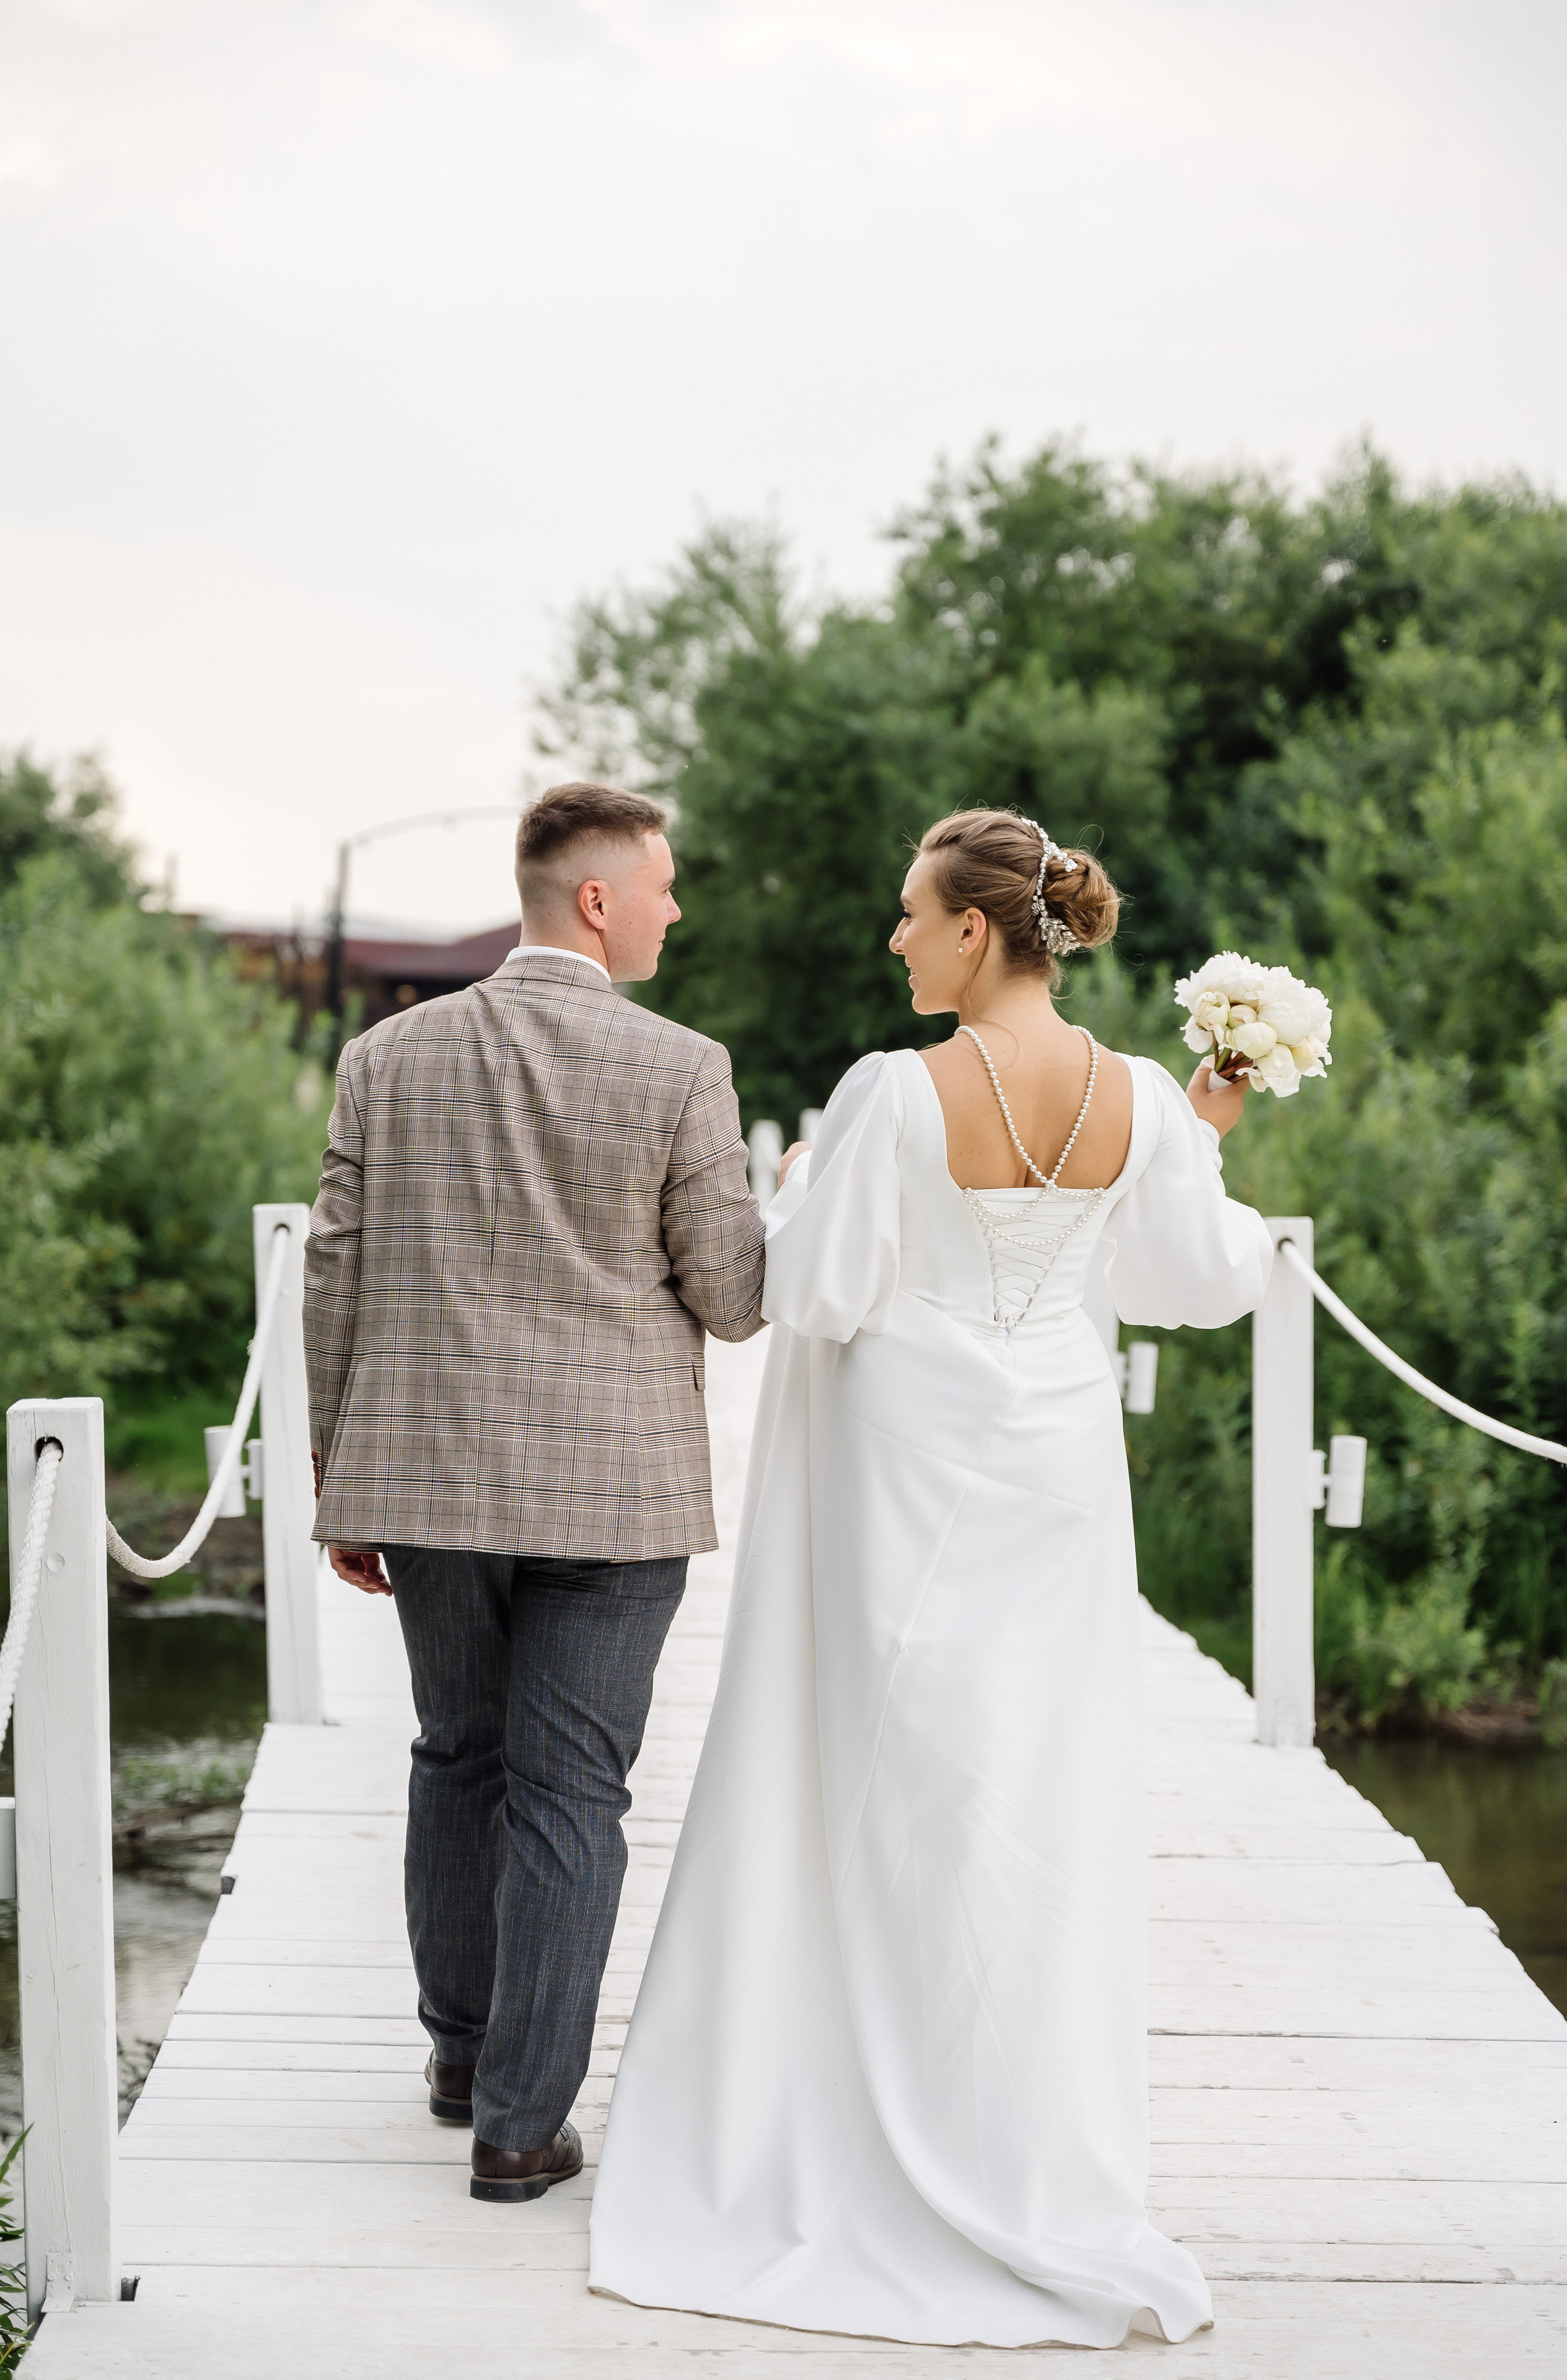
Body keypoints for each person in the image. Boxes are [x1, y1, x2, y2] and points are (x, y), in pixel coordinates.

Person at [589, 808, 1273, 2347]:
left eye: (909, 914)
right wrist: (1197, 1138)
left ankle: (861, 2117)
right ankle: (1011, 2135)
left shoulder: (893, 1095)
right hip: (1052, 1475)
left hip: (903, 1467)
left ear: (975, 930)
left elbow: (815, 1285)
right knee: (1027, 1791)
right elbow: (1189, 1280)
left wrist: (793, 1190)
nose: (893, 938)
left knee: (890, 1780)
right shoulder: (1145, 1098)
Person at [302, 781, 766, 2205]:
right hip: (612, 1490)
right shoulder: (684, 1069)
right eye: (663, 884)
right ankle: (518, 2125)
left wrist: (340, 1483)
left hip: (427, 1473)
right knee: (573, 1792)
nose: (675, 907)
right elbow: (736, 1299)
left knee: (457, 1753)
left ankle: (457, 2057)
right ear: (593, 899)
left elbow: (334, 1272)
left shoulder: (384, 1057)